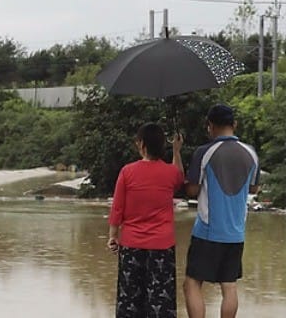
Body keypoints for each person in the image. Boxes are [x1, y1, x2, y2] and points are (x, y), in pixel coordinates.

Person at [183, 104, 260, 318]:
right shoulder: (251, 153)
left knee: (192, 283)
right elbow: (254, 187)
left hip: (208, 230)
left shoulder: (204, 152)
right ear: (234, 124)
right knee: (229, 286)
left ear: (210, 126)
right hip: (236, 232)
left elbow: (192, 190)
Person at [108, 122, 184, 318]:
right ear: (162, 146)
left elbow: (117, 207)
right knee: (161, 301)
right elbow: (179, 178)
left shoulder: (127, 172)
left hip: (131, 245)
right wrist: (177, 151)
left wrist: (113, 236)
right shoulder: (170, 172)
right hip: (162, 246)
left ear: (141, 144)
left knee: (130, 302)